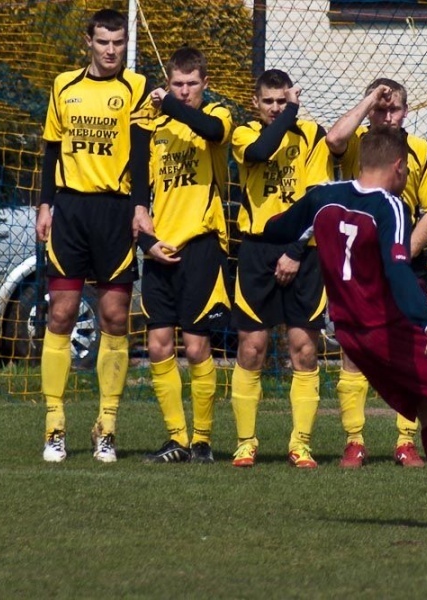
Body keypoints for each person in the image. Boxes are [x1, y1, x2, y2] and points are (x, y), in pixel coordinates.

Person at [263, 127, 427, 528]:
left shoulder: (322, 197)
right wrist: (426, 320)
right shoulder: (391, 205)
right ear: (399, 166)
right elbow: (398, 268)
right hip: (392, 327)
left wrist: (292, 223)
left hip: (352, 336)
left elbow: (275, 229)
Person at [37, 8, 151, 464]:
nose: (110, 50)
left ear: (125, 44)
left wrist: (141, 206)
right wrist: (44, 204)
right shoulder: (64, 85)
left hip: (115, 212)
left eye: (118, 43)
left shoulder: (137, 88)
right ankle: (54, 426)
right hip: (71, 209)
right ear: (89, 41)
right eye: (103, 42)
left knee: (115, 318)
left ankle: (107, 426)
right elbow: (50, 148)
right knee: (61, 314)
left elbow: (141, 152)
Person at [323, 78, 427, 468]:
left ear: (406, 112)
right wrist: (367, 103)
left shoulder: (422, 152)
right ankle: (354, 441)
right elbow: (332, 141)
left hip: (401, 266)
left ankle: (405, 442)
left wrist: (398, 255)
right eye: (380, 108)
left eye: (393, 108)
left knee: (410, 352)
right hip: (355, 268)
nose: (386, 115)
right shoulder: (357, 145)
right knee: (352, 352)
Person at [229, 69, 332, 468]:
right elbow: (260, 153)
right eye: (268, 101)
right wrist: (291, 110)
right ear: (256, 103)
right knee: (251, 347)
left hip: (303, 250)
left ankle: (300, 444)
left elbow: (318, 200)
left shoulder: (311, 135)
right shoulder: (243, 134)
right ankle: (245, 443)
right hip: (257, 251)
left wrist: (296, 248)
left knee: (304, 349)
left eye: (281, 101)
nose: (275, 108)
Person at [134, 47, 233, 464]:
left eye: (193, 84)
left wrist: (170, 104)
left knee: (196, 347)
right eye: (177, 84)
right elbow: (139, 191)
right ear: (169, 81)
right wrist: (146, 243)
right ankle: (176, 438)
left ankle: (203, 440)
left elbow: (210, 130)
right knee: (158, 345)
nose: (185, 90)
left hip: (202, 244)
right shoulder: (153, 126)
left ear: (204, 85)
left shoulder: (219, 116)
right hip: (161, 246)